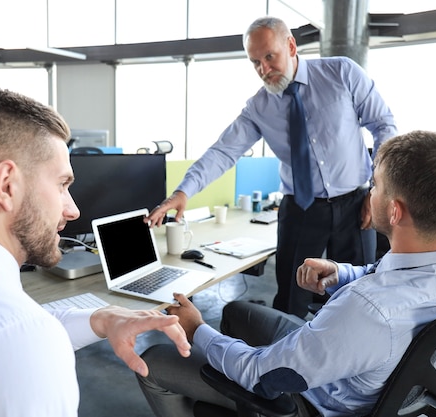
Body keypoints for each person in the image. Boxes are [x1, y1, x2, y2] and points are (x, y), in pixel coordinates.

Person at [136, 130, 436, 417]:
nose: (370, 192)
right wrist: (340, 272)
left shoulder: (366, 309)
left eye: (376, 185)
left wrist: (195, 328)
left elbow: (261, 376)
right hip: (358, 359)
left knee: (151, 361)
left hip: (314, 401)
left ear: (395, 212)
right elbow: (382, 274)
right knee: (235, 311)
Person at [0, 85, 191, 416]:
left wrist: (101, 319)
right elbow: (8, 337)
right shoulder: (25, 348)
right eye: (62, 185)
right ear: (7, 186)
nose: (73, 210)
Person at [145, 16, 398, 318]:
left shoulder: (341, 73)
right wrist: (184, 191)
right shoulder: (258, 107)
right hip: (301, 209)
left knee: (355, 295)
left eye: (269, 57)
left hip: (357, 203)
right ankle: (284, 360)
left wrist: (376, 189)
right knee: (291, 298)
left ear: (291, 46)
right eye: (255, 62)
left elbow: (384, 125)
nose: (263, 70)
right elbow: (224, 151)